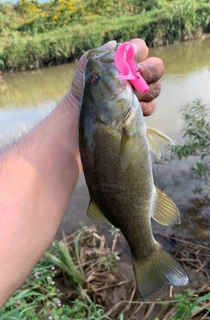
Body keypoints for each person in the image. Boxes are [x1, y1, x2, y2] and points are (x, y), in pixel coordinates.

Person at [0, 38, 164, 307]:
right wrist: (84, 95)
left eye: (93, 80)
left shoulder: (102, 114)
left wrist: (77, 99)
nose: (97, 70)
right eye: (96, 81)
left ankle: (145, 251)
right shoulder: (111, 119)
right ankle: (146, 252)